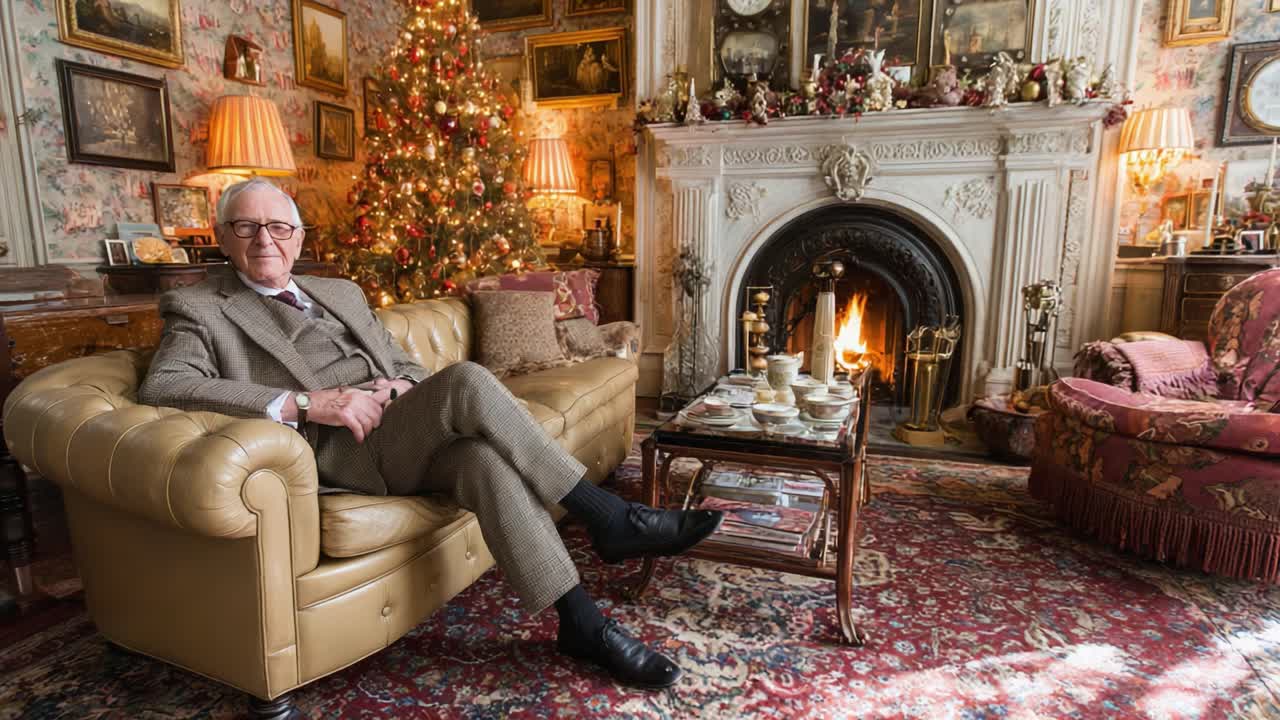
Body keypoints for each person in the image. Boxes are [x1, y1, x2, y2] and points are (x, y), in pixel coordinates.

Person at [139, 179, 724, 690]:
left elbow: (408, 366)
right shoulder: (201, 307)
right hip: (339, 451)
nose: (264, 239)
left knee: (480, 462)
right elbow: (165, 384)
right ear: (222, 237)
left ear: (299, 235)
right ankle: (609, 517)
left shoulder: (340, 292)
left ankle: (581, 624)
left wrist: (398, 386)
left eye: (277, 226)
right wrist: (304, 402)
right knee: (469, 379)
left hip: (399, 429)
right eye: (246, 227)